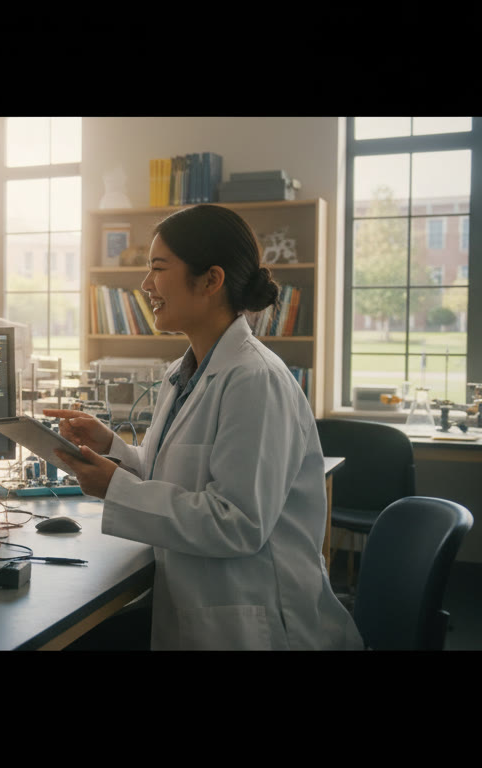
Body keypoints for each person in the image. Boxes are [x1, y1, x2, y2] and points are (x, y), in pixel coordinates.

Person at [46, 204, 361, 650]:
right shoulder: (184, 373)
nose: (146, 284)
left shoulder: (255, 380)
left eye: (158, 268)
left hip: (259, 622)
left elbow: (238, 522)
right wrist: (113, 448)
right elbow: (172, 477)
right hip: (204, 606)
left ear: (211, 280)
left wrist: (114, 487)